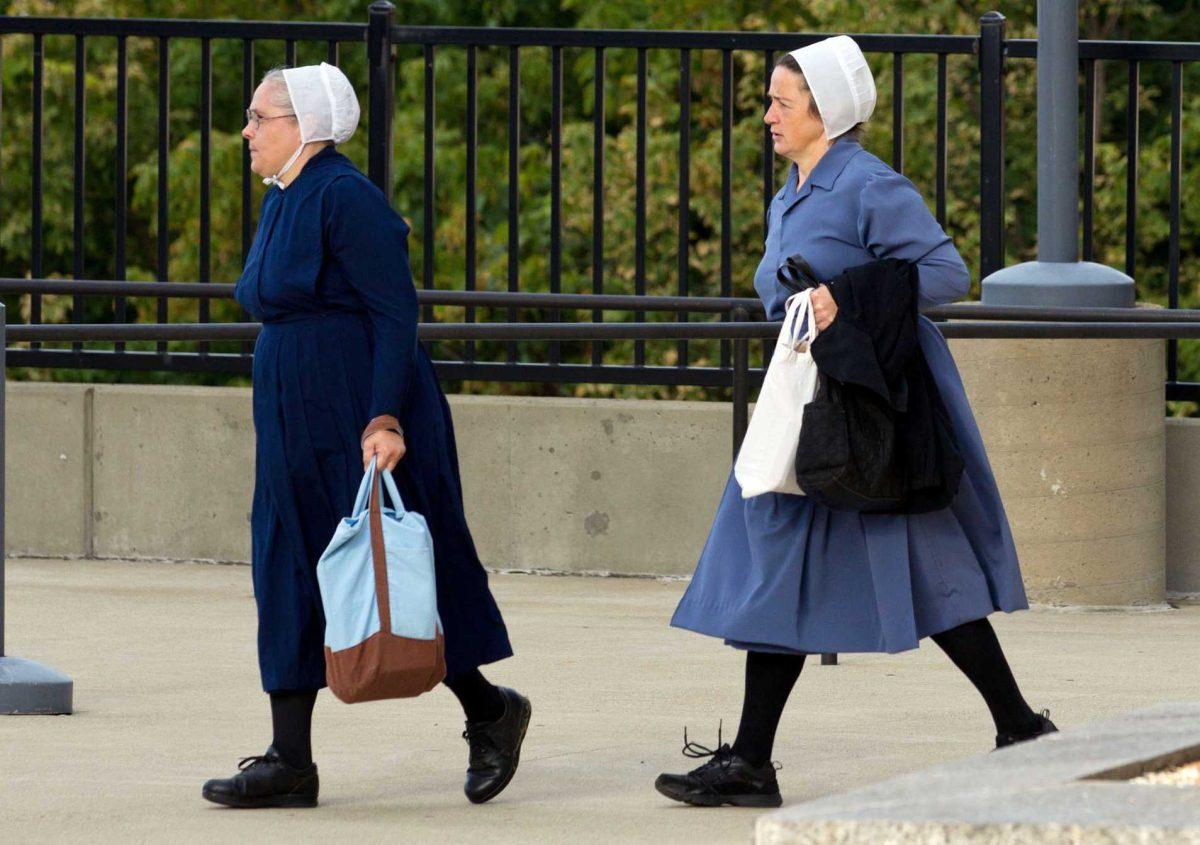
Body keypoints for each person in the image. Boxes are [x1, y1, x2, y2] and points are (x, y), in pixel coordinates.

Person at [656, 36, 1056, 809]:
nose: (768, 114)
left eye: (783, 102)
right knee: (780, 563)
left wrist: (848, 291)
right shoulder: (793, 188)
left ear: (825, 112)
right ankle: (751, 759)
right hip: (807, 398)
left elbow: (945, 273)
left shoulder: (868, 184)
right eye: (770, 99)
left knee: (926, 562)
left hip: (872, 406)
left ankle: (1017, 725)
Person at [201, 63, 529, 809]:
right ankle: (290, 759)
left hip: (356, 411)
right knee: (288, 559)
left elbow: (395, 312)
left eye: (258, 117)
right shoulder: (285, 197)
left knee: (400, 567)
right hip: (292, 410)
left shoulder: (346, 197)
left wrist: (384, 417)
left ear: (303, 125)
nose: (246, 131)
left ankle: (491, 709)